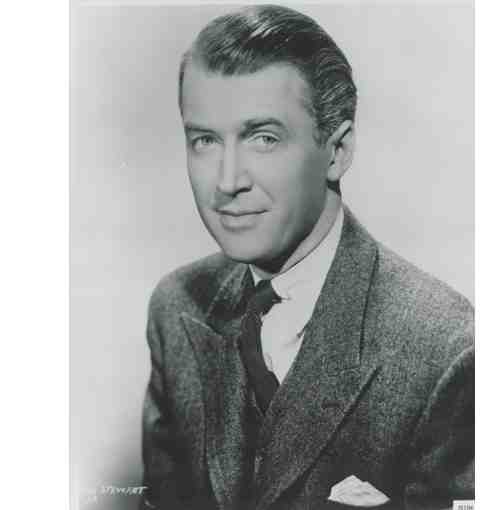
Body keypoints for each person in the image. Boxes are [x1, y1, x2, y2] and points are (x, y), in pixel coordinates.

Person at [140, 5, 474, 510]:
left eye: (264, 138)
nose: (227, 181)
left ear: (337, 151)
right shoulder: (176, 307)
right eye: (205, 140)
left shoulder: (447, 349)